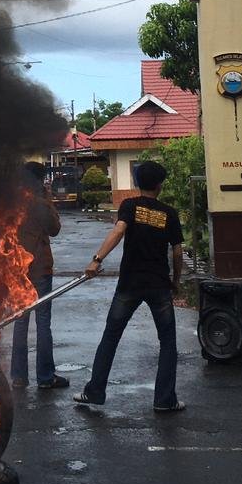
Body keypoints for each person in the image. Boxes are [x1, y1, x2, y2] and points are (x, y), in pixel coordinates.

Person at [74, 160, 185, 413]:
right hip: (159, 285)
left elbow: (118, 231)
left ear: (137, 183)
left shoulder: (129, 206)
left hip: (130, 284)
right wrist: (176, 282)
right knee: (168, 342)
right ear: (159, 185)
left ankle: (95, 392)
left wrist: (96, 260)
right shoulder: (169, 213)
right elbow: (178, 252)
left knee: (110, 337)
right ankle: (164, 400)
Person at [10, 162, 69, 391]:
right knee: (43, 323)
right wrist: (48, 200)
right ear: (39, 180)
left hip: (17, 269)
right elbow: (54, 228)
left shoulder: (12, 202)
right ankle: (45, 377)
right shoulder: (38, 202)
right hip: (39, 269)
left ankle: (18, 376)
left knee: (20, 322)